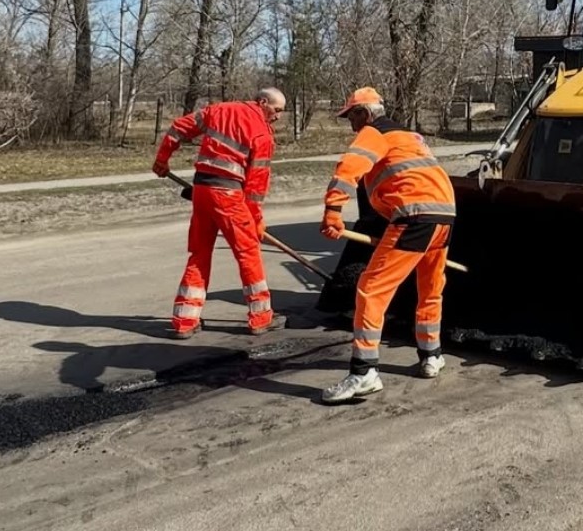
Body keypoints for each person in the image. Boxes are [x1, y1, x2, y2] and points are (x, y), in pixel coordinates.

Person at [318, 87, 456, 404]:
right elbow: (408, 179)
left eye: (351, 116)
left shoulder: (373, 133)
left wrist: (332, 213)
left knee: (370, 288)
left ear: (364, 113)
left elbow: (346, 172)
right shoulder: (412, 138)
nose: (350, 125)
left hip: (414, 216)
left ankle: (364, 372)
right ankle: (432, 355)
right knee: (430, 286)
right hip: (445, 215)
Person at [152, 87, 286, 339]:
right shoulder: (262, 135)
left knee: (199, 253)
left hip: (202, 190)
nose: (278, 116)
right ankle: (260, 317)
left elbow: (179, 127)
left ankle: (184, 320)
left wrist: (162, 160)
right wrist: (255, 220)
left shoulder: (220, 110)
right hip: (229, 195)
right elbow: (256, 189)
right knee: (248, 253)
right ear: (263, 102)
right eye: (277, 110)